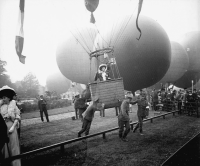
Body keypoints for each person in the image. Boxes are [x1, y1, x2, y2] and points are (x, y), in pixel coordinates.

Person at [0, 85, 21, 166]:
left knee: (13, 145)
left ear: (9, 97)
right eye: (2, 97)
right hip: (2, 128)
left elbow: (17, 116)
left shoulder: (14, 104)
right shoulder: (1, 106)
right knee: (4, 146)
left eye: (5, 97)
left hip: (11, 126)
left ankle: (16, 164)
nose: (3, 99)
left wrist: (13, 127)